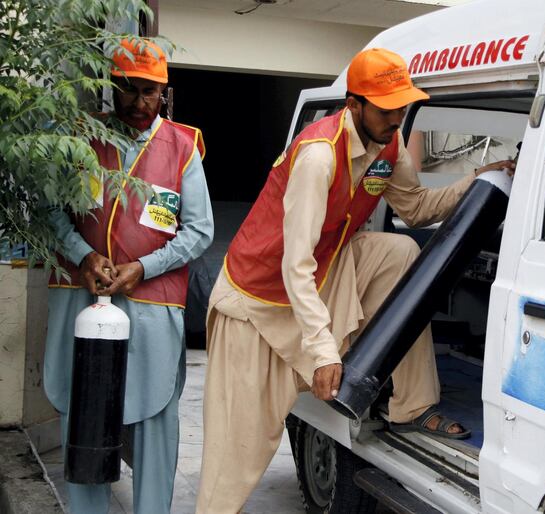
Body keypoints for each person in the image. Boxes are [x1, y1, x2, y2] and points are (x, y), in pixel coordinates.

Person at [195, 47, 514, 513]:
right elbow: (294, 263)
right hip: (257, 302)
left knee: (403, 251)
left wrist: (476, 180)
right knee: (237, 454)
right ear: (354, 106)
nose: (397, 118)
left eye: (403, 107)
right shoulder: (318, 156)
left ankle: (413, 406)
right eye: (388, 110)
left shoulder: (390, 144)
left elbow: (417, 209)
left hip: (325, 271)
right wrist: (325, 353)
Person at [44, 38, 213, 514]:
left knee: (155, 419)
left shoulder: (183, 147)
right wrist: (83, 256)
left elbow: (200, 231)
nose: (140, 102)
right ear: (112, 88)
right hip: (80, 296)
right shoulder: (82, 140)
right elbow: (53, 212)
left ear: (166, 93)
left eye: (150, 92)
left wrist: (144, 267)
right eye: (130, 89)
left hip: (153, 302)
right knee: (82, 414)